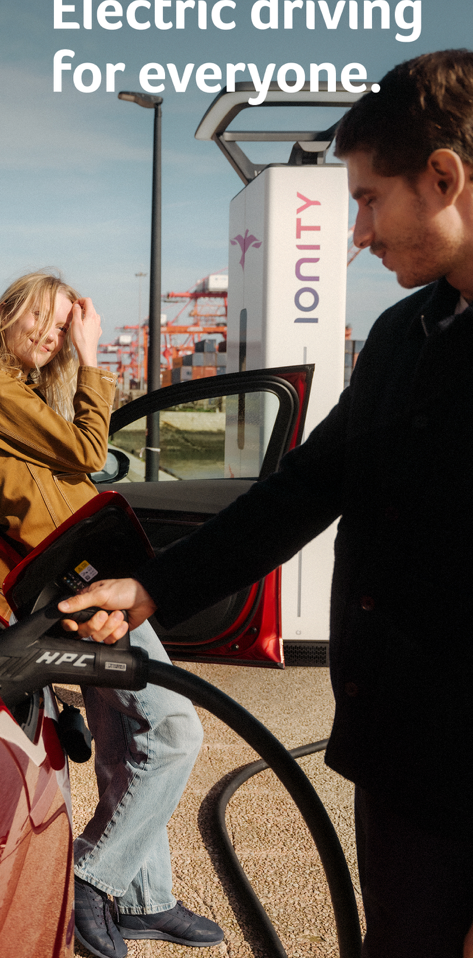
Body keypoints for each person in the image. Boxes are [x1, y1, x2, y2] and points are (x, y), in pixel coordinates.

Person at [60, 48, 473, 958]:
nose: (357, 232)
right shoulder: (407, 333)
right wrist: (152, 588)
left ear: (441, 177)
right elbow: (311, 483)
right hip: (405, 762)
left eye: (367, 198)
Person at [0, 271, 223, 958]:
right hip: (68, 590)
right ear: (8, 312)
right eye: (41, 318)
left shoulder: (29, 395)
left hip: (87, 582)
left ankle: (144, 901)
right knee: (174, 728)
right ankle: (97, 875)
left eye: (62, 326)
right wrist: (93, 358)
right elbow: (88, 452)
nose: (51, 334)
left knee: (127, 745)